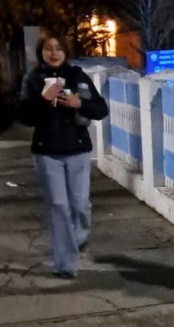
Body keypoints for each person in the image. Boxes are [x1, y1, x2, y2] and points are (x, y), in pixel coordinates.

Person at [17, 32, 109, 279]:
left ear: (65, 51)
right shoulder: (33, 79)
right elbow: (24, 116)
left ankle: (77, 241)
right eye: (48, 48)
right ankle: (65, 263)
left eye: (58, 48)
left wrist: (79, 103)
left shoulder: (78, 76)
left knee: (79, 205)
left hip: (77, 149)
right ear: (41, 52)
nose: (54, 53)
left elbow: (101, 109)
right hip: (47, 152)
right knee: (58, 205)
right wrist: (43, 100)